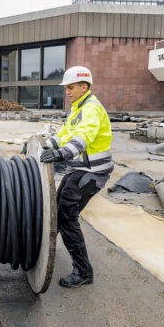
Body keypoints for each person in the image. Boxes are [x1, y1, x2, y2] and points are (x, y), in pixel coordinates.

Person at [39, 66, 113, 288]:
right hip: (78, 169)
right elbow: (64, 135)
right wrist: (43, 147)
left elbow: (83, 137)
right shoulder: (76, 109)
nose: (67, 92)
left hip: (91, 171)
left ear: (84, 86)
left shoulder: (92, 109)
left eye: (71, 87)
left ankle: (83, 272)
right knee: (57, 210)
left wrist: (61, 154)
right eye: (66, 88)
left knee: (66, 217)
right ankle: (52, 249)